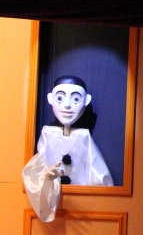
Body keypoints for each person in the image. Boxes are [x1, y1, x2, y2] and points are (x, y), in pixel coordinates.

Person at [22, 76, 112, 222]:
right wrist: (46, 180)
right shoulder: (48, 134)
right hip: (55, 204)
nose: (67, 105)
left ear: (86, 100)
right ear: (50, 99)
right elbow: (35, 171)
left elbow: (98, 173)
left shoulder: (84, 136)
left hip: (81, 208)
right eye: (60, 98)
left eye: (76, 99)